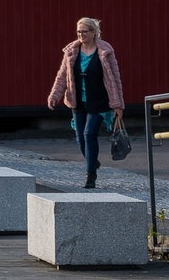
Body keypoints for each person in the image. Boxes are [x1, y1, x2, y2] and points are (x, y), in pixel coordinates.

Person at [47, 17, 125, 189]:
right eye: (78, 32)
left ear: (94, 32)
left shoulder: (105, 51)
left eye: (84, 31)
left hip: (99, 100)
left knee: (89, 134)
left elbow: (115, 78)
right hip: (78, 100)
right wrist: (54, 95)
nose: (81, 35)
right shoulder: (71, 51)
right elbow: (62, 76)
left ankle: (91, 175)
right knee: (81, 139)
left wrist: (118, 104)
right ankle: (92, 161)